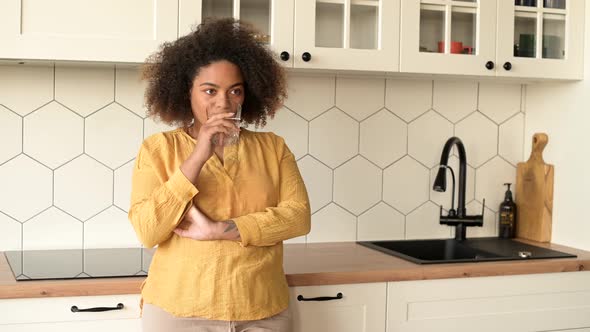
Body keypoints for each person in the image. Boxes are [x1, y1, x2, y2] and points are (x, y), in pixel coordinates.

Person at [128, 17, 311, 332]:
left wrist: (222, 230)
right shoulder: (158, 150)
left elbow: (298, 217)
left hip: (262, 308)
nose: (224, 102)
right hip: (180, 311)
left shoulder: (273, 148)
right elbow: (148, 231)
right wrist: (199, 154)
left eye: (235, 91)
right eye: (209, 91)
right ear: (187, 91)